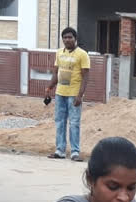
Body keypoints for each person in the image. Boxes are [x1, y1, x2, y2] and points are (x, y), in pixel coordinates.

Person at [47, 27, 91, 162]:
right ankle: (60, 150)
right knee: (60, 122)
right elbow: (56, 72)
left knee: (74, 123)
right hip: (60, 93)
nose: (67, 40)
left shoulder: (82, 54)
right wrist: (49, 87)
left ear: (75, 39)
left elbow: (85, 77)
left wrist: (80, 95)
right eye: (65, 37)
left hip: (74, 95)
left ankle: (75, 152)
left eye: (70, 37)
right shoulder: (59, 53)